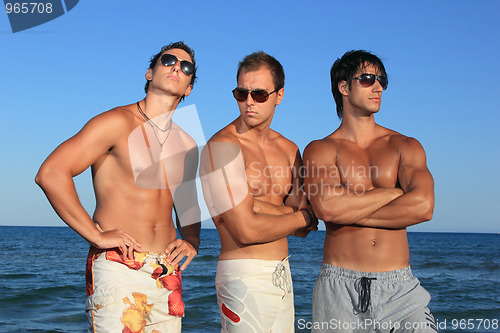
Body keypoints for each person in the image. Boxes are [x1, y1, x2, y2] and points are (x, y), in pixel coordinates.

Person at [35, 41, 201, 333]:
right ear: (149, 73)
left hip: (166, 272)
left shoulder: (187, 145)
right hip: (119, 266)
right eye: (168, 60)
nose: (176, 66)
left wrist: (192, 240)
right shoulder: (116, 122)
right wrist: (95, 235)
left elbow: (188, 206)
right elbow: (51, 173)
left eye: (185, 67)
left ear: (189, 88)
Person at [303, 50, 438, 332]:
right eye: (367, 79)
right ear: (344, 87)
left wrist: (345, 210)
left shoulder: (405, 145)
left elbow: (424, 206)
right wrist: (393, 193)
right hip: (338, 289)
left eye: (381, 80)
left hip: (400, 288)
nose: (378, 87)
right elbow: (327, 209)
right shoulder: (321, 149)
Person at [199, 51, 317, 332]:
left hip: (283, 274)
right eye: (242, 93)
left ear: (279, 95)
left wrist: (256, 204)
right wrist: (304, 216)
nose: (249, 101)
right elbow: (246, 231)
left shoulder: (289, 150)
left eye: (260, 94)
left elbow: (304, 230)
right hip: (241, 275)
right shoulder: (223, 147)